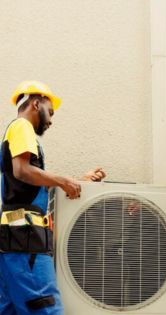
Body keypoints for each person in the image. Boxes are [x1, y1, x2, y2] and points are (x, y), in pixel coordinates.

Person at [0, 80, 106, 314]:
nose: (51, 120)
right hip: (26, 242)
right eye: (50, 111)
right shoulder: (21, 127)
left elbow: (31, 184)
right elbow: (22, 170)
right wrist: (63, 180)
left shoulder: (18, 132)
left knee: (10, 308)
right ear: (36, 103)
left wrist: (78, 181)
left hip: (15, 240)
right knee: (45, 307)